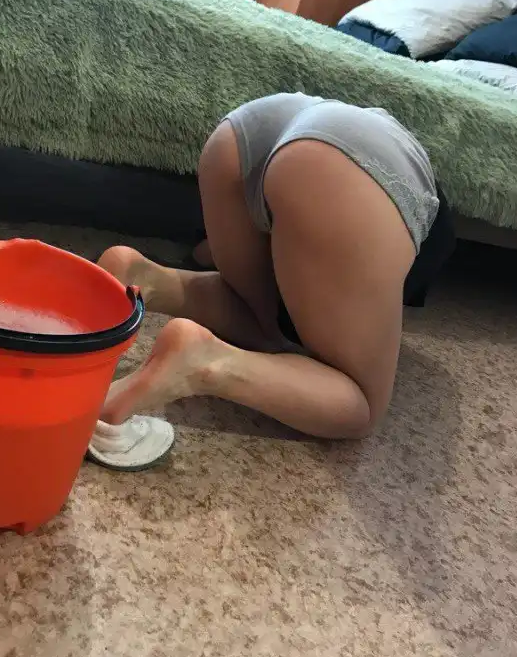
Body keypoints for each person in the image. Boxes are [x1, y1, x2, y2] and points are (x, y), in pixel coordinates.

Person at [97, 93, 455, 439]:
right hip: (347, 167)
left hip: (243, 134)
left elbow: (211, 256)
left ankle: (143, 279)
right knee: (362, 404)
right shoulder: (419, 226)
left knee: (261, 321)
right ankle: (205, 361)